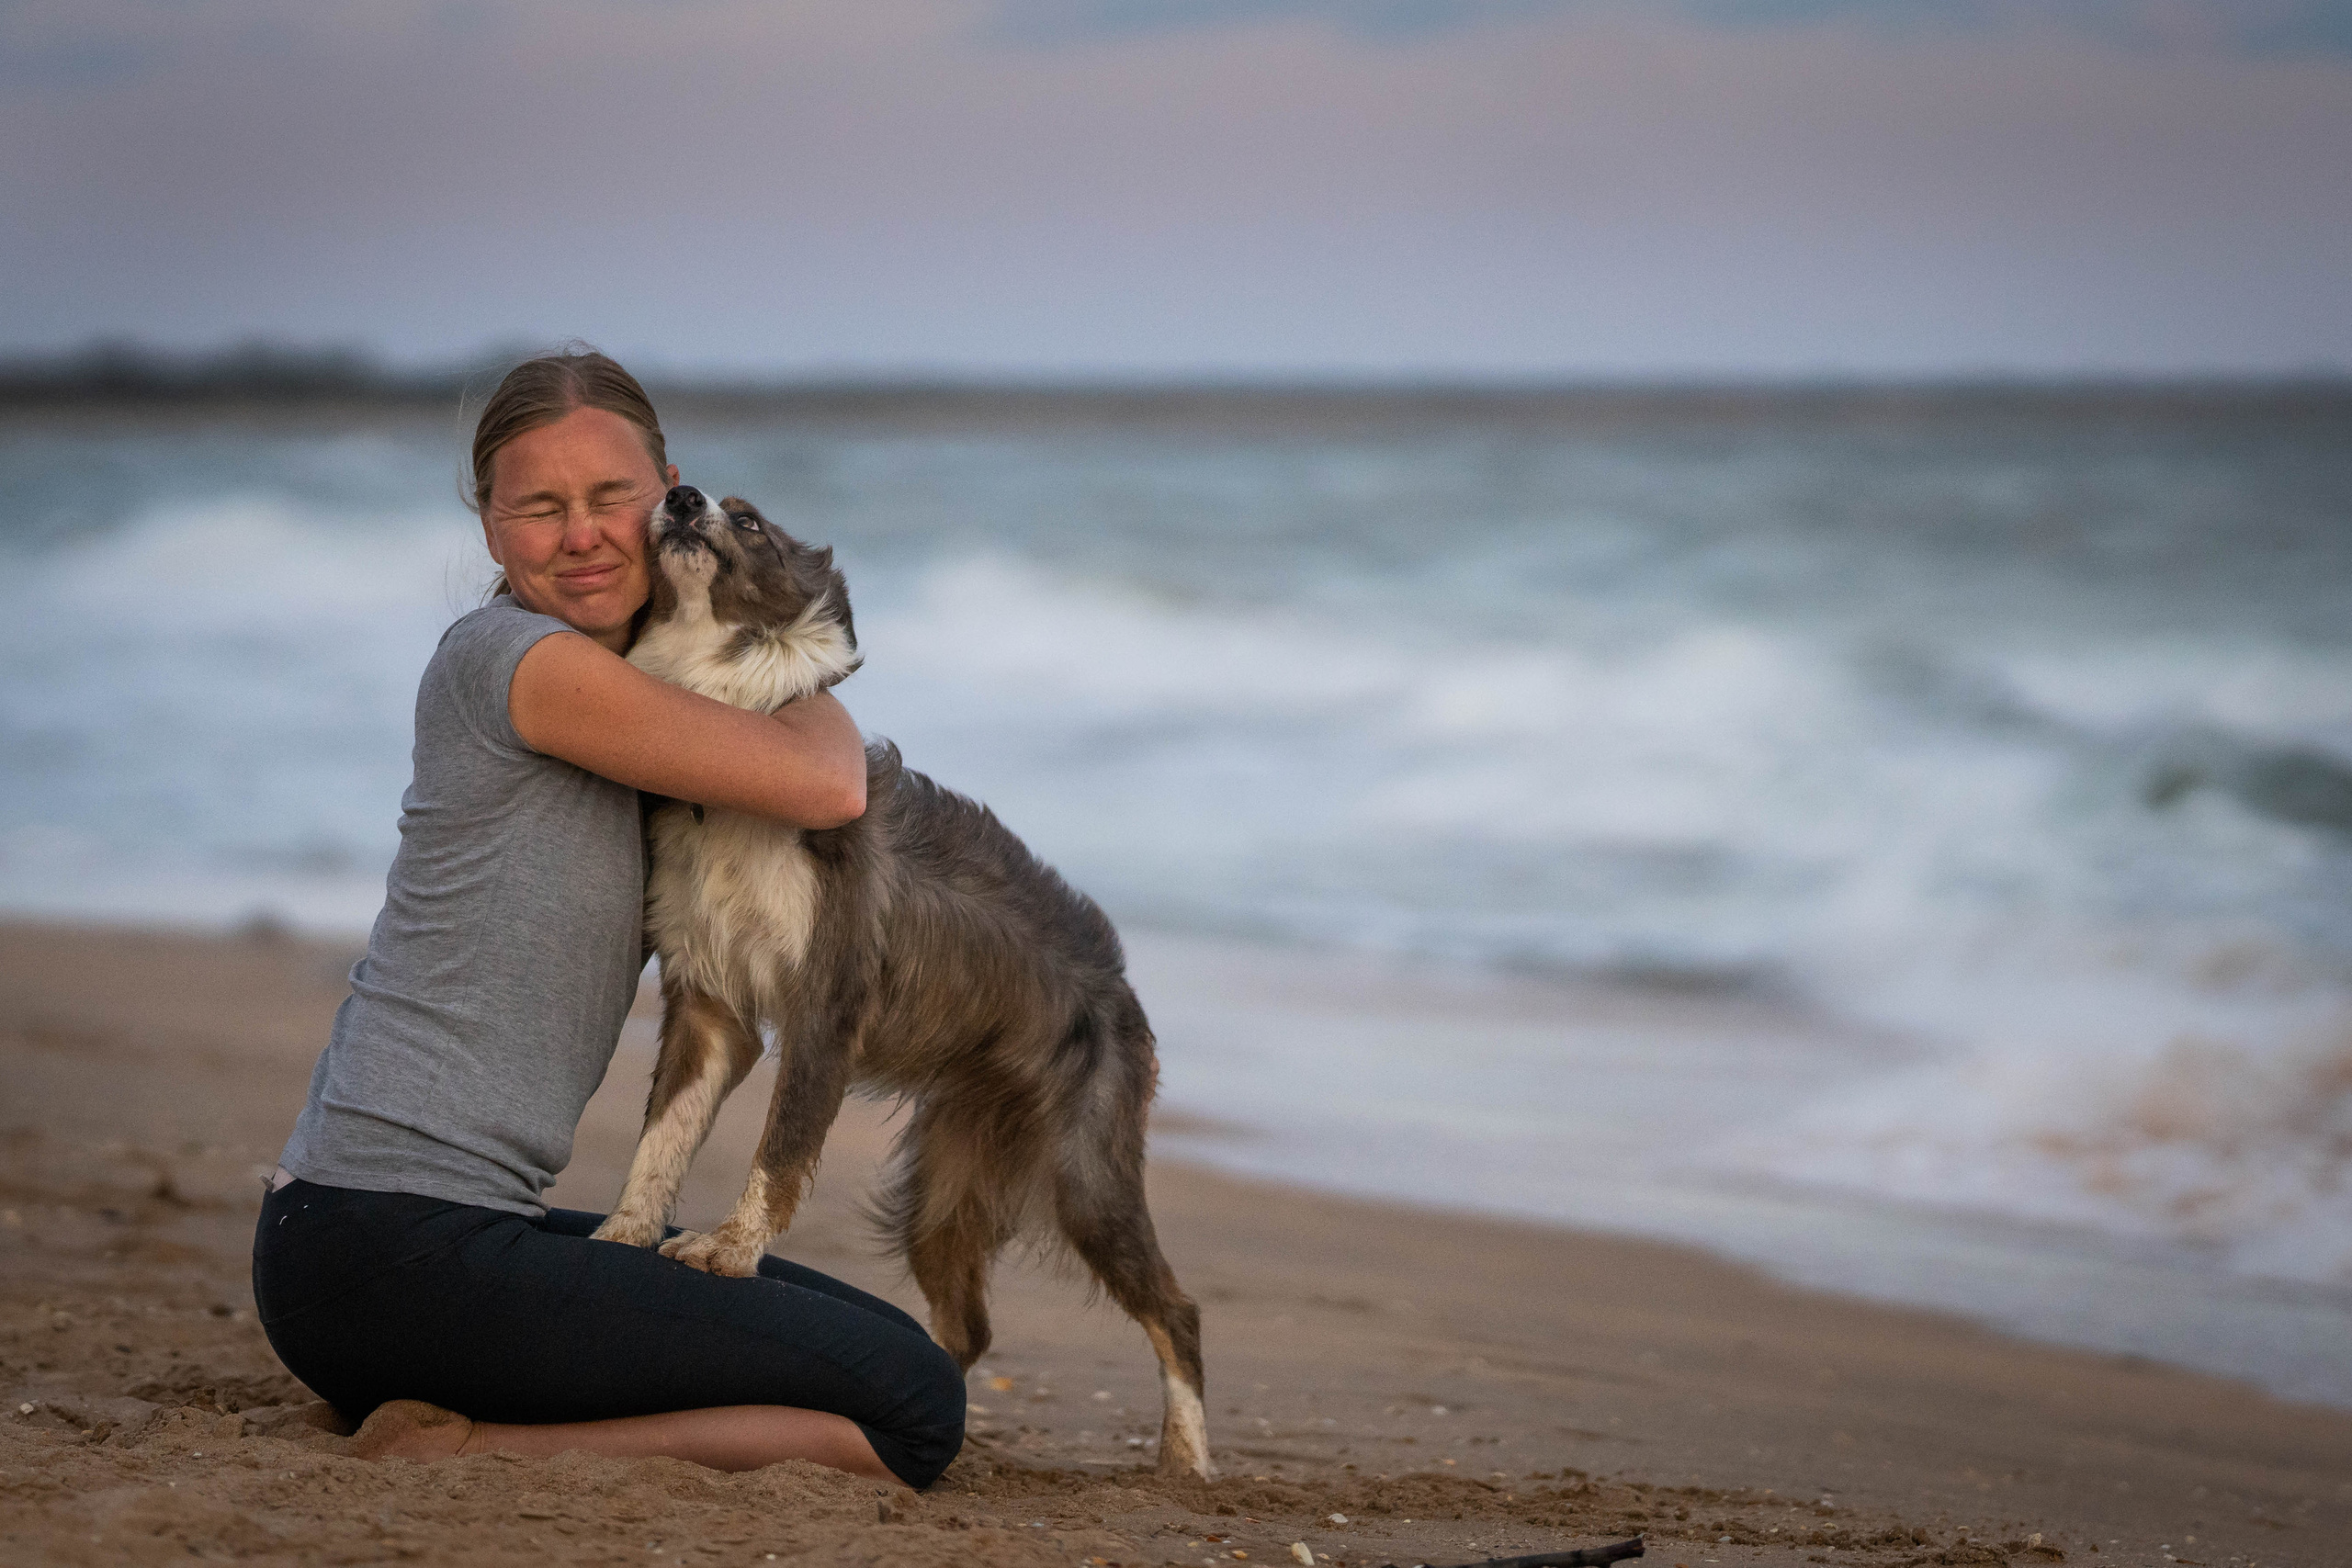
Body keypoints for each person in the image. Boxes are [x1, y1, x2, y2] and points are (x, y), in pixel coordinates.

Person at [250, 349, 965, 1489]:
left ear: (666, 493)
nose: (580, 535)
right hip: (387, 1249)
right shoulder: (526, 665)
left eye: (611, 499)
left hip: (408, 1236)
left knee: (884, 1348)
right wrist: (766, 604)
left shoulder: (643, 679)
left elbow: (803, 772)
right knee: (914, 1412)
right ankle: (472, 1445)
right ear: (490, 529)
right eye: (539, 507)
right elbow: (831, 785)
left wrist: (726, 597)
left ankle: (462, 1405)